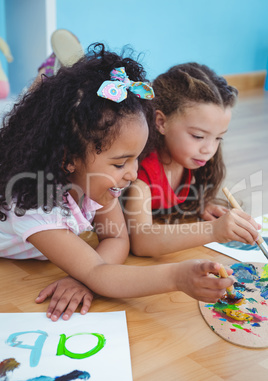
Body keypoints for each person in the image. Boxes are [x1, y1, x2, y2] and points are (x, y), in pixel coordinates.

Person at [0, 46, 235, 322]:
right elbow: (100, 272)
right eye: (121, 163)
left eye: (137, 158)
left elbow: (116, 238)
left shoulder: (98, 184)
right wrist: (177, 276)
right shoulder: (33, 203)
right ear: (68, 159)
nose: (134, 174)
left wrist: (86, 277)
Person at [124, 62, 261, 257]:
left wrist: (199, 203)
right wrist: (213, 230)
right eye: (198, 136)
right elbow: (142, 241)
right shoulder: (140, 175)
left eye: (218, 138)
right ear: (161, 122)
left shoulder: (189, 159)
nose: (209, 149)